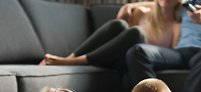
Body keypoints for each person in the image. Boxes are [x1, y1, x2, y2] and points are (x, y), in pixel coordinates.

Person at [40, 0, 182, 70]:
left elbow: (171, 55)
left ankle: (72, 62)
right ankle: (70, 58)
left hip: (134, 62)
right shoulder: (142, 12)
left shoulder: (178, 25)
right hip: (112, 55)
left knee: (137, 32)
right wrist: (128, 6)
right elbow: (124, 39)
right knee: (119, 25)